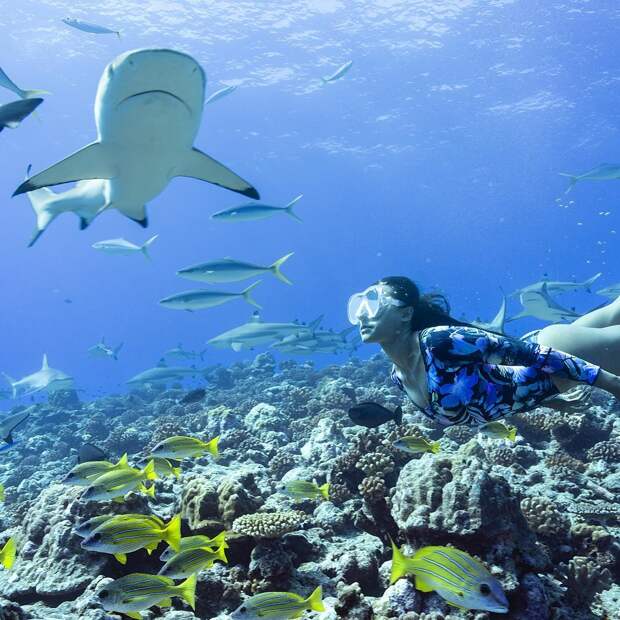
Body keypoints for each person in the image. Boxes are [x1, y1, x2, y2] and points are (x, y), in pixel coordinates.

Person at [347, 276, 620, 427]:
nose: (362, 315)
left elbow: (534, 356)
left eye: (373, 303)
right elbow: (487, 387)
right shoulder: (399, 377)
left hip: (560, 351)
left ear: (406, 313)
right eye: (358, 307)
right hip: (554, 375)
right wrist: (546, 400)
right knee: (613, 310)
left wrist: (612, 384)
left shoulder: (439, 342)